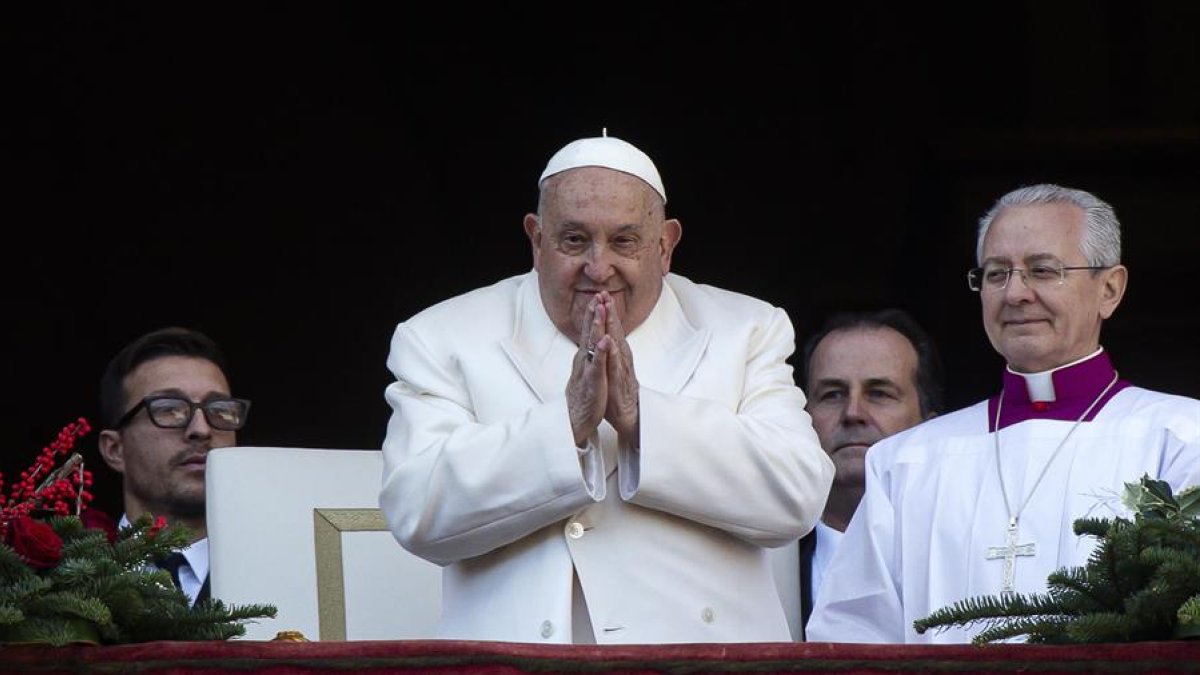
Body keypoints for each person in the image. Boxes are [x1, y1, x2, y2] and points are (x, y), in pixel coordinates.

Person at [380, 134, 834, 644]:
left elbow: (798, 495)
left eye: (625, 241)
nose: (598, 269)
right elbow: (416, 510)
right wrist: (566, 426)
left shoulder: (746, 329)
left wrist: (641, 419)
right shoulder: (443, 336)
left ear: (665, 246)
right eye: (574, 240)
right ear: (536, 240)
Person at [807, 184, 1200, 643]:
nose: (1015, 293)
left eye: (1043, 270)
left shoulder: (1181, 438)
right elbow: (854, 637)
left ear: (1109, 289)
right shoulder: (905, 462)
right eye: (996, 274)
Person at [797, 309, 943, 632]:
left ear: (930, 428)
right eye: (832, 395)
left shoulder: (959, 557)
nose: (853, 413)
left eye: (879, 394)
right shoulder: (760, 565)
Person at [97, 327, 250, 606]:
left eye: (220, 410)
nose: (201, 429)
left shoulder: (290, 570)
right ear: (115, 450)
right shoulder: (57, 582)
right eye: (169, 408)